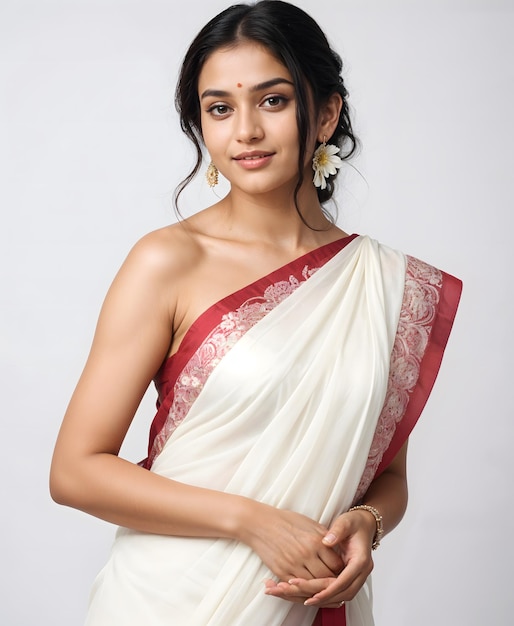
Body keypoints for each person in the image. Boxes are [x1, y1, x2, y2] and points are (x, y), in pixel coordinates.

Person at [49, 2, 462, 625]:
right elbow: (76, 472)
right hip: (171, 599)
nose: (244, 131)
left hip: (314, 598)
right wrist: (252, 522)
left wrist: (366, 523)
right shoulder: (169, 260)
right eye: (219, 108)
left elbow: (389, 474)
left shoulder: (387, 285)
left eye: (272, 100)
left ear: (325, 112)